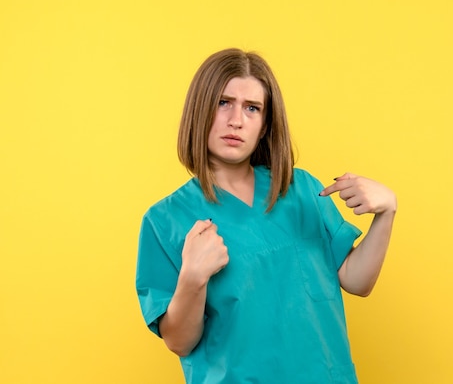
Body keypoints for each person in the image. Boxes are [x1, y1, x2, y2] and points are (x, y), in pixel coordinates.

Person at [135, 48, 397, 384]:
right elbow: (179, 340)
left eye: (252, 108)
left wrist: (386, 212)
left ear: (264, 125)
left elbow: (357, 281)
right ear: (199, 111)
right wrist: (192, 279)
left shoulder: (302, 190)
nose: (236, 120)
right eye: (222, 102)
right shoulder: (165, 220)